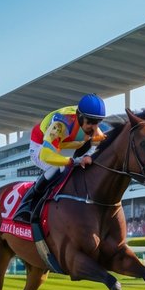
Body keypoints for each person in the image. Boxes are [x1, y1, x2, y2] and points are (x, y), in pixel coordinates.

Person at [12, 93, 108, 225]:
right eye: (90, 123)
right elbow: (46, 155)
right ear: (79, 117)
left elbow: (97, 142)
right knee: (59, 168)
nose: (95, 128)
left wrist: (87, 156)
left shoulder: (92, 123)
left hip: (66, 144)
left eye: (98, 123)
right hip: (41, 146)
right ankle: (26, 205)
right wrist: (73, 161)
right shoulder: (60, 124)